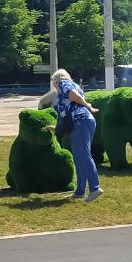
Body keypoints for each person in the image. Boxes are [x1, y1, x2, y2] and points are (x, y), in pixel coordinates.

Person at [48, 69, 103, 202]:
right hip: (82, 122)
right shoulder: (70, 87)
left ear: (57, 80)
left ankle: (95, 188)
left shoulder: (64, 83)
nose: (54, 84)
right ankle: (80, 191)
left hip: (80, 121)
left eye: (54, 81)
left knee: (83, 155)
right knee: (79, 157)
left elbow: (74, 96)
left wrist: (88, 107)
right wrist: (57, 128)